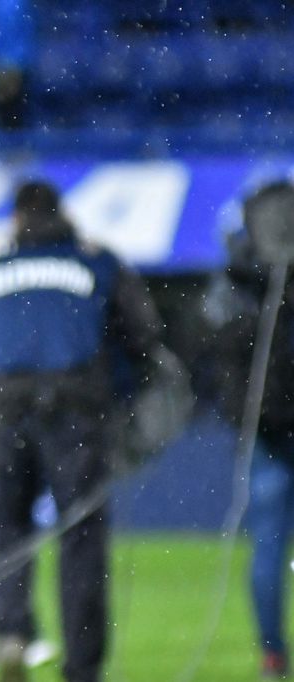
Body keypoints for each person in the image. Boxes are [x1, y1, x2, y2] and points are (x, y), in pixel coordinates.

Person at [0, 180, 162, 682]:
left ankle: (12, 632)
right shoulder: (97, 261)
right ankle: (82, 665)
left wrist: (0, 371)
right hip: (77, 411)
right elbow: (144, 334)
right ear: (63, 214)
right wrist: (112, 381)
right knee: (81, 535)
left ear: (17, 217)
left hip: (7, 412)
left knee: (5, 526)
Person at [204, 180, 294, 680]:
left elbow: (220, 349)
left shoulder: (237, 278)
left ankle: (272, 654)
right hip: (268, 427)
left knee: (269, 545)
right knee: (269, 545)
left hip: (266, 428)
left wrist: (243, 413)